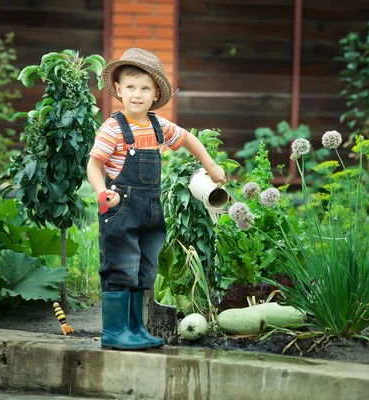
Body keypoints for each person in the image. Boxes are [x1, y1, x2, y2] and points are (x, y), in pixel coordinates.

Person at [87, 48, 226, 350]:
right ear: (119, 91)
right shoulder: (113, 128)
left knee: (144, 270)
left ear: (155, 95)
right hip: (120, 207)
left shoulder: (157, 126)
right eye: (131, 87)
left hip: (150, 211)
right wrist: (102, 192)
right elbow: (94, 165)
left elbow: (187, 138)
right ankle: (114, 331)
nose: (137, 94)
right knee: (121, 267)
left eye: (145, 88)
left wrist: (210, 165)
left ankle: (136, 328)